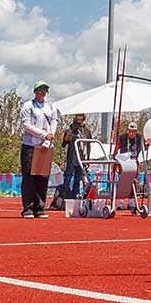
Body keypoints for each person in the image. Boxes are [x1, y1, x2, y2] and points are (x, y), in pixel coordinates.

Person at [19, 81, 59, 219]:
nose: (42, 92)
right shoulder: (28, 106)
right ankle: (28, 209)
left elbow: (54, 121)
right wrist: (43, 134)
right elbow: (26, 125)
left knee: (42, 177)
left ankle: (39, 207)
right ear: (35, 91)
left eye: (45, 90)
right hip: (31, 145)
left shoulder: (51, 106)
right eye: (40, 90)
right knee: (29, 176)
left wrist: (50, 136)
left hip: (46, 145)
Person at [61, 112, 92, 198]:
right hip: (72, 157)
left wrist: (88, 159)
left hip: (81, 159)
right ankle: (64, 197)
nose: (79, 118)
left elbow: (89, 146)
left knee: (78, 179)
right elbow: (63, 144)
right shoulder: (70, 129)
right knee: (68, 177)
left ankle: (75, 196)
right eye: (77, 116)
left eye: (81, 116)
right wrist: (68, 135)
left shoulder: (87, 131)